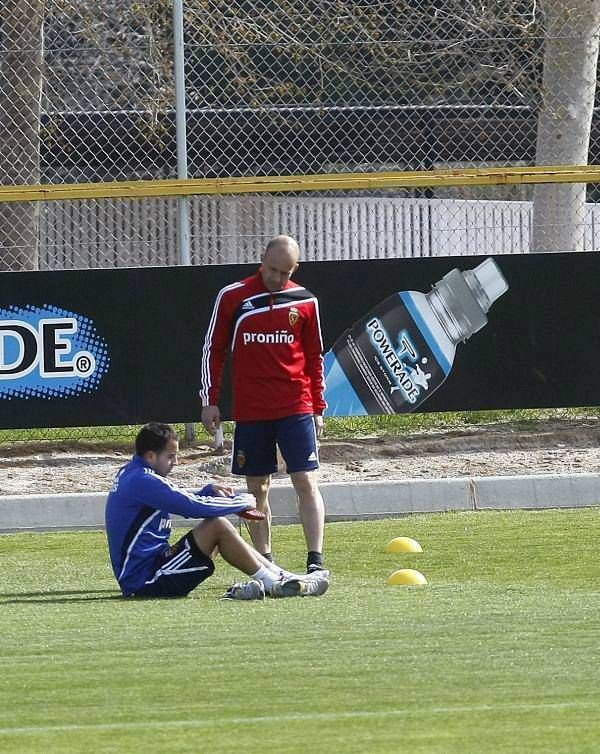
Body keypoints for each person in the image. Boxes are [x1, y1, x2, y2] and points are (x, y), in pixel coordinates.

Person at [200, 235, 327, 573]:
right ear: (262, 260)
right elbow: (214, 349)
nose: (277, 278)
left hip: (296, 404)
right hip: (252, 410)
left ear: (295, 269)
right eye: (272, 270)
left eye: (285, 273)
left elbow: (314, 358)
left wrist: (318, 406)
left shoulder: (305, 301)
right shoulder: (233, 296)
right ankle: (266, 560)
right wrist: (210, 400)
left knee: (306, 479)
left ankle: (315, 559)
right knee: (257, 488)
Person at [105, 422, 329, 600]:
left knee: (215, 526)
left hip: (156, 567)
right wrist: (240, 503)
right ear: (151, 456)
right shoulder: (143, 480)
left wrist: (208, 491)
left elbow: (181, 499)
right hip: (146, 581)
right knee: (217, 525)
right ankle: (274, 582)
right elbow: (190, 507)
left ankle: (281, 576)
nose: (175, 462)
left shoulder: (134, 473)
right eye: (170, 457)